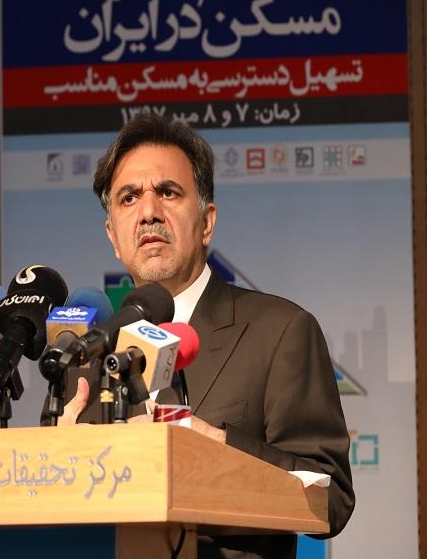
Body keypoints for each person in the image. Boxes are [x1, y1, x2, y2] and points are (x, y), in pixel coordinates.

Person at [52, 113, 354, 558]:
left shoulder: (280, 331)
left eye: (168, 192)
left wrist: (214, 444)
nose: (148, 212)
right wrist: (59, 465)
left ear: (207, 221)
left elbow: (331, 500)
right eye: (129, 198)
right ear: (113, 237)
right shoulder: (88, 356)